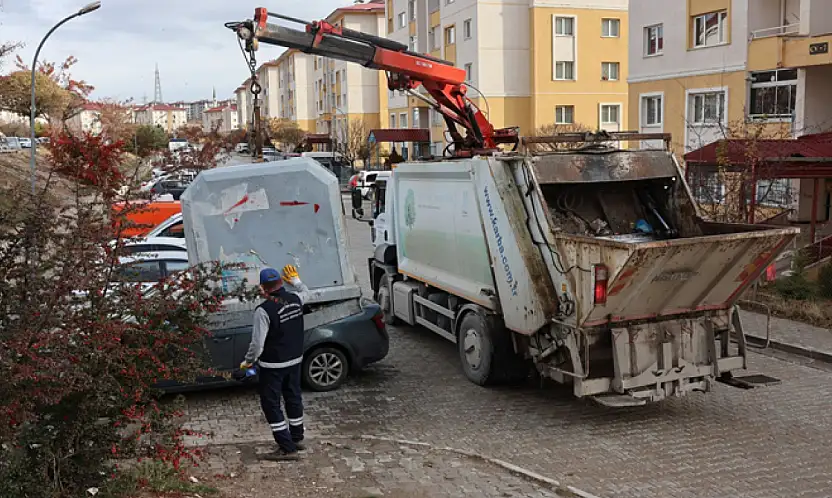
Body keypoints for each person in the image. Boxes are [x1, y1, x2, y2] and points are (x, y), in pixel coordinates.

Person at [240, 264, 309, 461]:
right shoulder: (296, 299)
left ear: (263, 288)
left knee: (271, 404)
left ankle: (287, 448)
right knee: (293, 397)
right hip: (295, 360)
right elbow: (307, 292)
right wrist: (296, 280)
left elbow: (257, 344)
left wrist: (248, 362)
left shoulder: (264, 310)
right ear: (281, 282)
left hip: (273, 366)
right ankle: (296, 438)